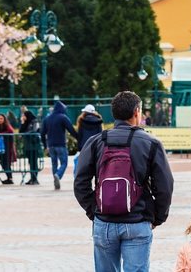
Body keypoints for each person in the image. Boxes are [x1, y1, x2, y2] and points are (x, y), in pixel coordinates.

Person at [74, 91, 174, 272]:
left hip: (104, 222)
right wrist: (157, 218)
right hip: (138, 220)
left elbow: (80, 182)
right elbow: (165, 186)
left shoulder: (95, 142)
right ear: (137, 111)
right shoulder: (151, 143)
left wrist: (94, 211)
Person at [41, 100, 78, 190]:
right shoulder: (63, 117)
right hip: (61, 144)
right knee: (64, 162)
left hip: (51, 145)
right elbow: (71, 130)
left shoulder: (47, 119)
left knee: (54, 163)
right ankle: (58, 175)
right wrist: (79, 138)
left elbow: (42, 133)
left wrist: (45, 146)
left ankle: (55, 181)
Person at [74, 104, 103, 176]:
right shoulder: (99, 121)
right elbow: (101, 136)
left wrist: (78, 149)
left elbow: (80, 136)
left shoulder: (81, 121)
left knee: (83, 167)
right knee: (96, 167)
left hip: (84, 147)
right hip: (95, 147)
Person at [0, 114, 16, 185]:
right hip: (0, 149)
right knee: (3, 163)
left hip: (7, 149)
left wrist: (1, 134)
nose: (0, 120)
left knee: (7, 163)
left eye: (1, 119)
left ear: (4, 119)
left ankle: (10, 178)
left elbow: (10, 131)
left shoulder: (8, 127)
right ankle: (9, 178)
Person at [19, 111, 41, 185]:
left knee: (34, 163)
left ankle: (34, 178)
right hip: (28, 146)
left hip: (34, 146)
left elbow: (34, 131)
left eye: (24, 115)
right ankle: (32, 178)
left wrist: (25, 134)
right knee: (31, 163)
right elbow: (20, 132)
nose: (23, 117)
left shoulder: (34, 121)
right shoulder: (26, 123)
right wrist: (22, 122)